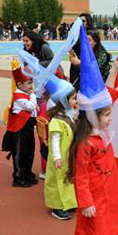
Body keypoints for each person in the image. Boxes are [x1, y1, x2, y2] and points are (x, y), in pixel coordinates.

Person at [53, 26, 118, 235]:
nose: (110, 117)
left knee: (113, 231)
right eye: (106, 114)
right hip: (94, 197)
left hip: (110, 192)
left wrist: (116, 70)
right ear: (93, 115)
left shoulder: (102, 130)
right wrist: (85, 202)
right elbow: (81, 175)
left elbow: (109, 94)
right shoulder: (85, 142)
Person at [44, 78, 78, 220]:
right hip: (60, 157)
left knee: (68, 178)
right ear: (64, 101)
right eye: (72, 99)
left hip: (68, 155)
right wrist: (57, 157)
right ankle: (57, 206)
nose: (75, 101)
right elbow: (55, 141)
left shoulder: (68, 115)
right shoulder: (57, 121)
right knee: (57, 180)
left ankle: (69, 201)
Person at [2, 65, 38, 188]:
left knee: (29, 151)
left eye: (31, 82)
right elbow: (31, 106)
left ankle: (27, 172)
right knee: (19, 153)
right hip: (19, 130)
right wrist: (33, 95)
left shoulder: (25, 94)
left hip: (27, 129)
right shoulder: (19, 97)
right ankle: (18, 176)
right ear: (19, 84)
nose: (31, 86)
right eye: (28, 83)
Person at [69, 13, 94, 90]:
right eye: (79, 20)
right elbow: (71, 50)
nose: (80, 22)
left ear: (88, 23)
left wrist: (80, 62)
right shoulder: (75, 34)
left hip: (85, 67)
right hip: (74, 66)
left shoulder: (91, 36)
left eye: (83, 21)